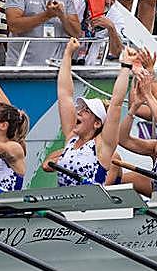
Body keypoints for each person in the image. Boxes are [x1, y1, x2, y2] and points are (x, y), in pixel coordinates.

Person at [41, 38, 128, 186]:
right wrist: (68, 54)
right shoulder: (71, 138)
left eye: (87, 111)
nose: (79, 112)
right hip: (65, 204)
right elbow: (64, 93)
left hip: (91, 206)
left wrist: (126, 67)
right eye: (81, 109)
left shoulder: (103, 145)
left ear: (97, 123)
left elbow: (116, 105)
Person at [81, 0, 125, 64]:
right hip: (65, 62)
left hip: (89, 67)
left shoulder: (116, 15)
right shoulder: (80, 3)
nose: (108, 2)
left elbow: (117, 52)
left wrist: (111, 28)